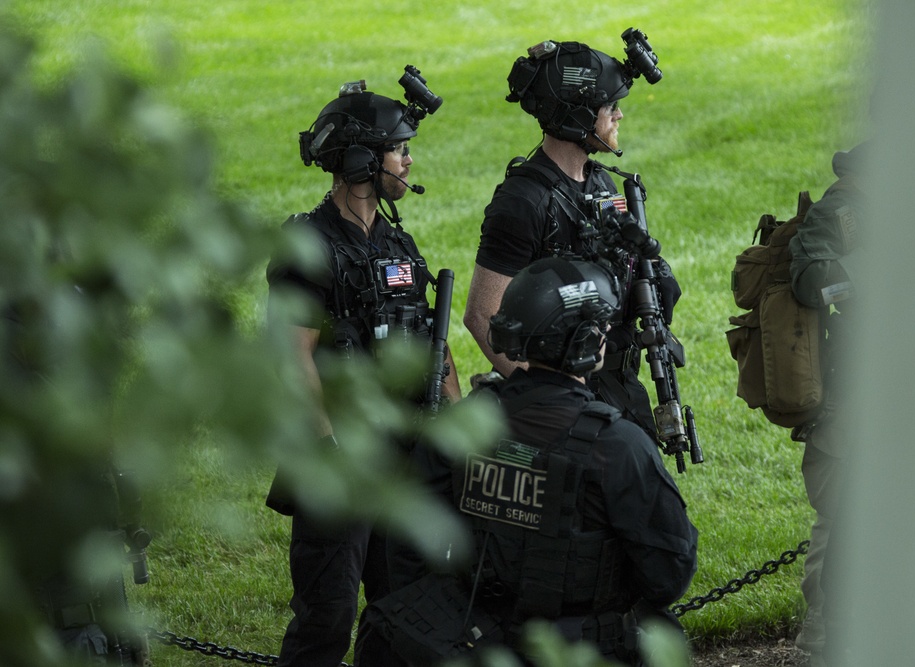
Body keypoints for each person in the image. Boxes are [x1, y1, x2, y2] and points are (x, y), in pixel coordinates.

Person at [369, 257, 698, 666]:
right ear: (582, 343)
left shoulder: (462, 427)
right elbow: (670, 573)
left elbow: (407, 548)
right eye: (600, 327)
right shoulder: (617, 445)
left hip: (473, 642)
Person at [264, 72, 461, 666]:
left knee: (403, 610)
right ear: (360, 160)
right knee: (327, 616)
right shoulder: (308, 245)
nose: (408, 160)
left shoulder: (399, 247)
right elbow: (289, 354)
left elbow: (435, 349)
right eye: (399, 150)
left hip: (403, 457)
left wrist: (455, 430)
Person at [463, 31, 682, 443]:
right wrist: (550, 394)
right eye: (609, 107)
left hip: (614, 386)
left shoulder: (602, 184)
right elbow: (480, 315)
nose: (619, 116)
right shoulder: (522, 201)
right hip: (558, 405)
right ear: (578, 116)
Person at [788, 141, 867, 667]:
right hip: (856, 394)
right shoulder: (852, 201)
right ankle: (822, 639)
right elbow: (810, 276)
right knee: (843, 514)